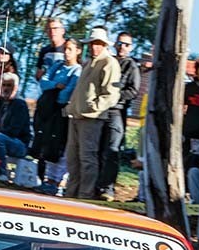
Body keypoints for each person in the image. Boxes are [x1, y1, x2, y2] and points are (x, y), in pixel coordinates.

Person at [63, 26, 120, 200]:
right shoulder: (88, 62)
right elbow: (81, 89)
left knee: (88, 158)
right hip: (76, 116)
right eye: (92, 43)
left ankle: (85, 196)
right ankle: (71, 193)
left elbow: (111, 94)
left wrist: (92, 107)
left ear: (104, 45)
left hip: (91, 119)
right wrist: (72, 108)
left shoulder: (109, 63)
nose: (94, 47)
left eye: (98, 44)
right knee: (72, 159)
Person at [30, 38, 80, 194]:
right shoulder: (57, 66)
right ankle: (48, 179)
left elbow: (67, 92)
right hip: (48, 111)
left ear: (78, 51)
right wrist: (55, 86)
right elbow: (43, 82)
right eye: (65, 48)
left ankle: (57, 181)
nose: (66, 52)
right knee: (47, 143)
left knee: (59, 146)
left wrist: (56, 91)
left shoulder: (77, 71)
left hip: (62, 113)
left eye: (70, 49)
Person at [96, 31, 140, 200]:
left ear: (131, 47)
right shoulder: (108, 61)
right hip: (100, 110)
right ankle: (96, 184)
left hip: (116, 112)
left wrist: (115, 96)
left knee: (112, 150)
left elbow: (133, 91)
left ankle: (108, 188)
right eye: (120, 43)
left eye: (126, 44)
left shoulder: (131, 66)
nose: (122, 47)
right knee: (98, 149)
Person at [0, 73, 31, 178]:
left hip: (19, 144)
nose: (6, 88)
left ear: (15, 87)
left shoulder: (20, 104)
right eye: (4, 85)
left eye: (9, 86)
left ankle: (1, 172)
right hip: (4, 137)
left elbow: (13, 131)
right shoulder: (2, 103)